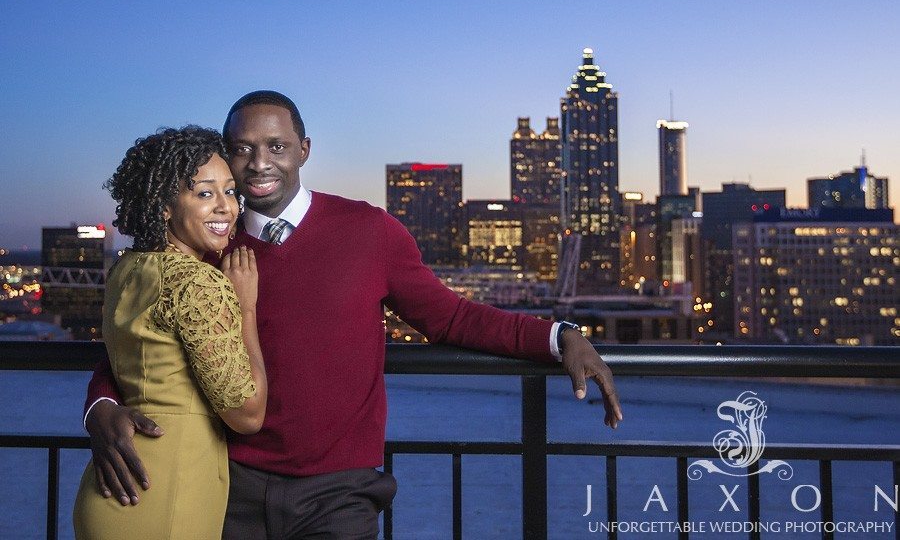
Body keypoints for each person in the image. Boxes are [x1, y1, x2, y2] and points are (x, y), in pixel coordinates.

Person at [83, 92, 623, 539]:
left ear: (305, 149)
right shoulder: (205, 245)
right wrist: (101, 405)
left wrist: (559, 337)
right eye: (242, 149)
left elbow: (450, 318)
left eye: (276, 146)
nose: (259, 162)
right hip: (229, 480)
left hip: (336, 493)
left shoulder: (369, 231)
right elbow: (145, 344)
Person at [73, 126, 268, 539]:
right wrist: (245, 305)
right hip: (169, 488)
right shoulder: (198, 283)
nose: (226, 208)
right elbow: (248, 415)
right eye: (204, 193)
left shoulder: (127, 269)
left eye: (230, 192)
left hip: (114, 486)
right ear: (163, 206)